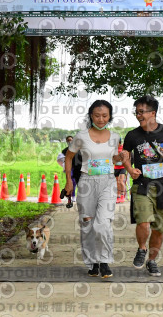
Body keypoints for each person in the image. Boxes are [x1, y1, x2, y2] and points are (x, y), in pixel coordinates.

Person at [121, 95, 163, 277]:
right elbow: (125, 154)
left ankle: (152, 260)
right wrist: (128, 168)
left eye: (142, 112)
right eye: (137, 112)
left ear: (153, 113)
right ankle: (142, 249)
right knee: (143, 220)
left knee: (159, 226)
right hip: (141, 184)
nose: (138, 115)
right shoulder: (132, 135)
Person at [65, 100, 122, 279]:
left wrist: (120, 158)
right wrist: (69, 181)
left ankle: (104, 261)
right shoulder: (81, 136)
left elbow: (114, 159)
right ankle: (92, 263)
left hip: (107, 182)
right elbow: (68, 158)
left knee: (103, 223)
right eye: (97, 115)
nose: (101, 119)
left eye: (105, 115)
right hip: (87, 183)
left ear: (110, 116)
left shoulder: (115, 136)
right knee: (88, 224)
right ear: (91, 115)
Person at [60, 135, 81, 200]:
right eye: (68, 140)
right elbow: (62, 160)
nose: (70, 141)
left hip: (78, 168)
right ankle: (72, 196)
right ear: (66, 141)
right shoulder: (64, 151)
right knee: (71, 181)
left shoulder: (79, 149)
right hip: (70, 168)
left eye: (71, 140)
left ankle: (78, 196)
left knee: (79, 183)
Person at [114, 139, 127, 203]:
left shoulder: (123, 148)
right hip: (116, 167)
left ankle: (122, 196)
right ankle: (118, 196)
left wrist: (122, 161)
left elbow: (127, 157)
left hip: (123, 167)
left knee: (121, 181)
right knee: (117, 182)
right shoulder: (114, 149)